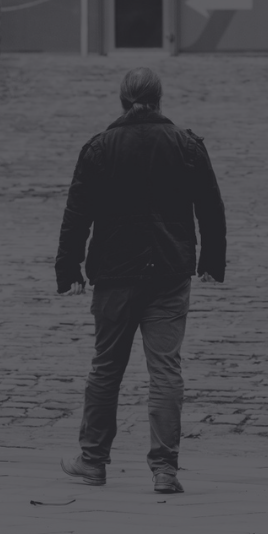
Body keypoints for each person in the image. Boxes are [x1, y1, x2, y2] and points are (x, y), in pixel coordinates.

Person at [54, 67, 227, 494]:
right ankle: (165, 469)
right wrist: (212, 260)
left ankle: (93, 460)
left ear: (122, 99)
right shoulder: (187, 145)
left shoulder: (99, 148)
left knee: (106, 368)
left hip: (114, 275)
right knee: (166, 370)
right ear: (160, 98)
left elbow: (77, 215)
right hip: (169, 272)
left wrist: (68, 269)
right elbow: (211, 207)